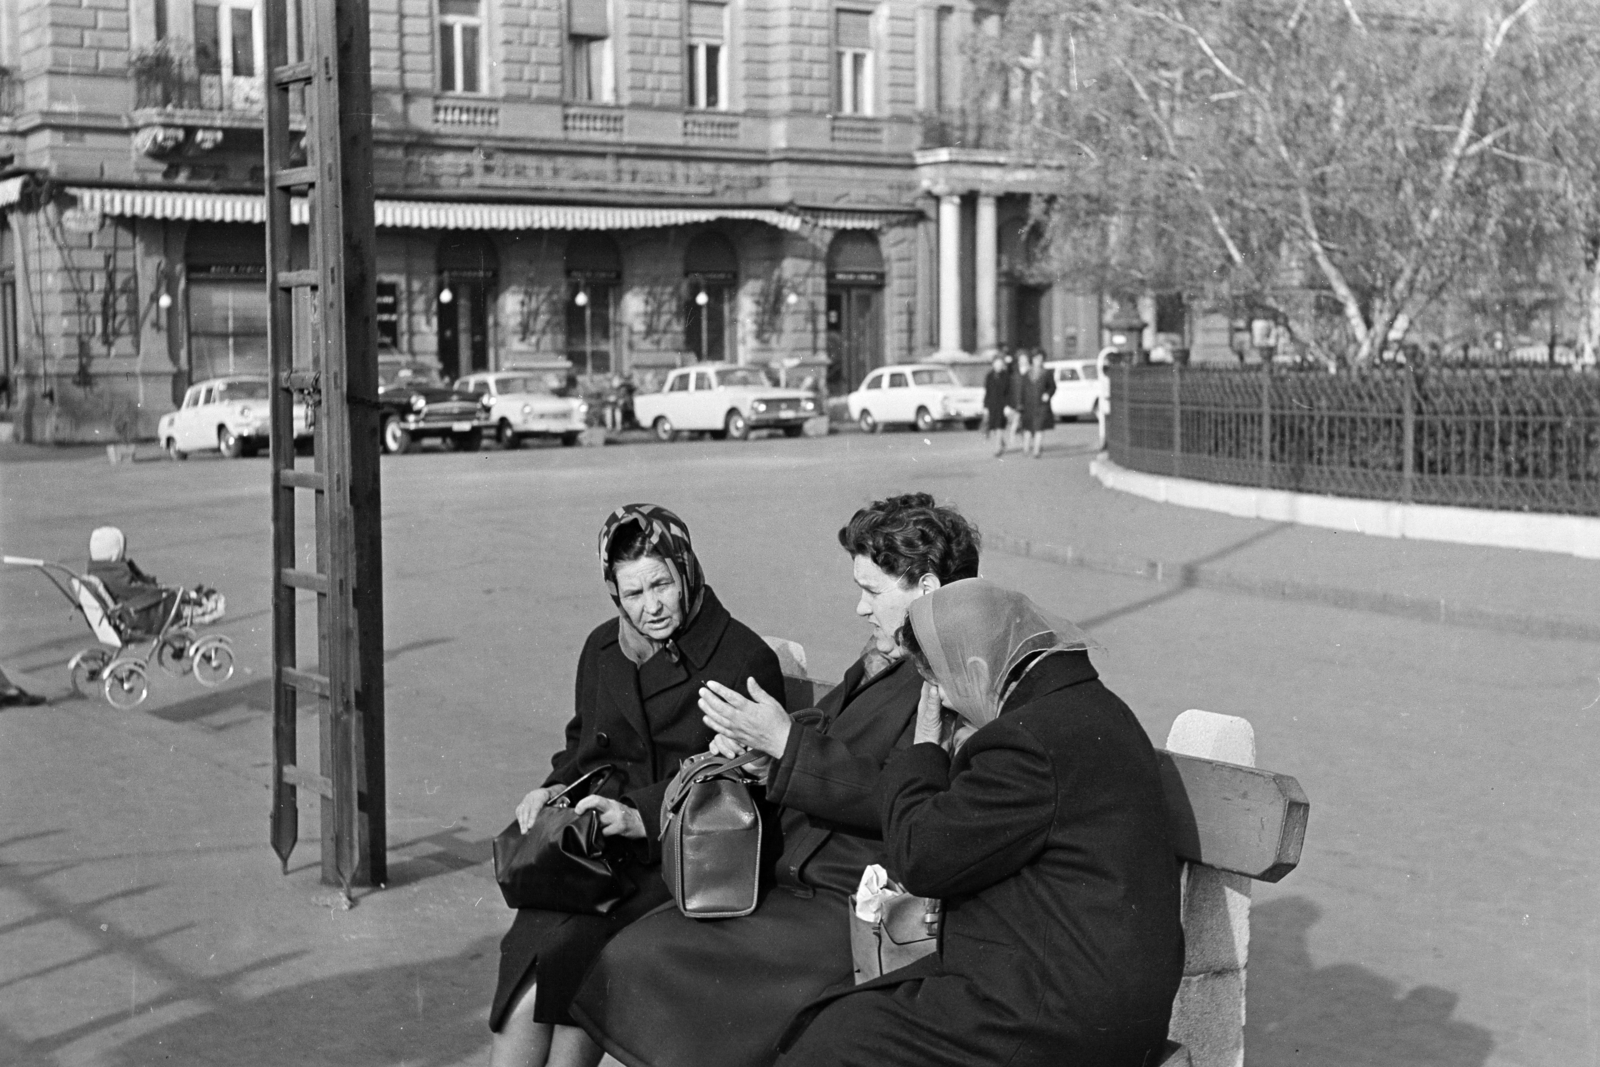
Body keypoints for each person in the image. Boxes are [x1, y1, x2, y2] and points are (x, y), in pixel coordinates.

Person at [571, 493, 983, 1067]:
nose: (861, 608)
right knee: (634, 953)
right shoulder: (890, 656)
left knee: (647, 959)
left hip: (849, 903)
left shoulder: (961, 683)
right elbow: (836, 729)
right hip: (797, 878)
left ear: (928, 589)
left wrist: (785, 744)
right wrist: (761, 751)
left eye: (872, 590)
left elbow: (911, 799)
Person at [775, 579, 1184, 1067]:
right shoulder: (1083, 706)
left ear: (975, 669)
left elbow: (921, 858)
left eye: (942, 688)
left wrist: (925, 747)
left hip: (1054, 1016)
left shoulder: (1026, 743)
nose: (944, 704)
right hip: (1093, 995)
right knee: (848, 1022)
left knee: (838, 1042)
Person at [490, 504, 785, 1067]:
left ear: (687, 571)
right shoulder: (603, 647)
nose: (650, 606)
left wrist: (639, 815)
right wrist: (551, 791)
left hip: (680, 857)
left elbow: (746, 791)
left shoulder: (742, 658)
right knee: (528, 968)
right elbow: (580, 750)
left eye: (662, 585)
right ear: (613, 593)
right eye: (632, 593)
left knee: (577, 964)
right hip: (594, 848)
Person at [86, 526, 223, 632]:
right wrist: (161, 591)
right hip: (140, 616)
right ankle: (201, 604)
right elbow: (138, 590)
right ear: (115, 552)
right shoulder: (115, 574)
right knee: (173, 597)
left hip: (130, 611)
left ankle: (192, 598)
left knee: (170, 593)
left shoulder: (99, 570)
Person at [1012, 351, 1055, 459]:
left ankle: (1036, 450)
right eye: (1036, 359)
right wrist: (1020, 404)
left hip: (1041, 405)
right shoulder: (1027, 374)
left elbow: (1053, 387)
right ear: (1033, 360)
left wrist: (1048, 394)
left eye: (1040, 359)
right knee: (1028, 428)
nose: (1038, 362)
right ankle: (1026, 449)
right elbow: (1022, 389)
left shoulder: (1047, 373)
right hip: (1028, 405)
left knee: (1039, 428)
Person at [980, 354, 1012, 459]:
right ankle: (1002, 443)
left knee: (999, 426)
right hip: (991, 404)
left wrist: (1008, 405)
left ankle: (997, 448)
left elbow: (1009, 392)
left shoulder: (1006, 376)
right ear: (993, 364)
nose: (998, 366)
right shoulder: (989, 376)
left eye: (1000, 364)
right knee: (993, 427)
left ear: (1002, 365)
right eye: (996, 363)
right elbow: (987, 392)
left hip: (1002, 405)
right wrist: (985, 407)